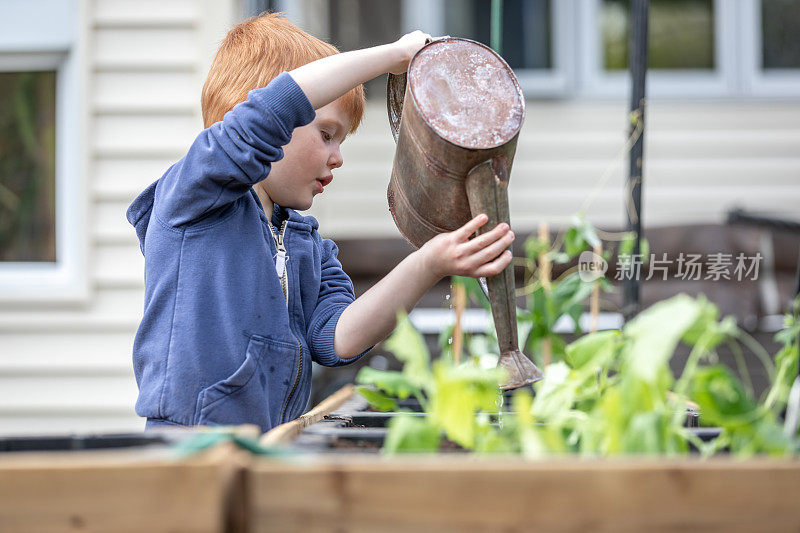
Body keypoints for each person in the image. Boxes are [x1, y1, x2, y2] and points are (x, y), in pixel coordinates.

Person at [126, 12, 514, 433]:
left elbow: (337, 339)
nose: (338, 156)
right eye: (326, 133)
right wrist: (392, 56)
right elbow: (272, 109)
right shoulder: (192, 197)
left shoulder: (306, 244)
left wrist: (429, 263)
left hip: (266, 450)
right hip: (186, 455)